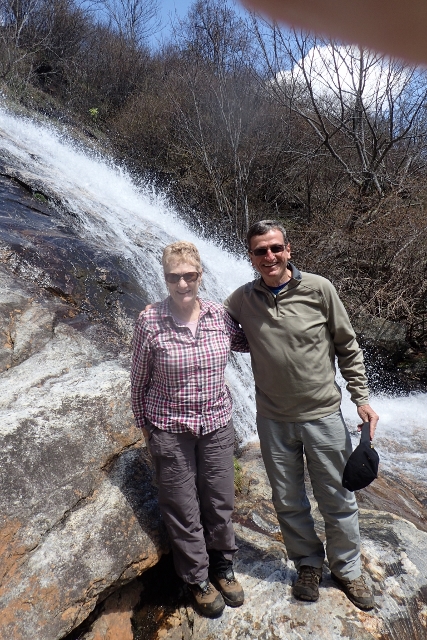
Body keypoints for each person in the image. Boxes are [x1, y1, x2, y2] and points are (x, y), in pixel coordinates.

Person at [224, 219, 379, 611]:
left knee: (338, 497)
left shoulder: (319, 289)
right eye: (260, 251)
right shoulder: (242, 299)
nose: (269, 256)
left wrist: (361, 398)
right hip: (273, 419)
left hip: (323, 415)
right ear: (252, 257)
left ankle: (347, 569)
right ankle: (308, 563)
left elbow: (347, 344)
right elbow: (210, 323)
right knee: (288, 499)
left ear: (288, 249)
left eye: (276, 248)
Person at [131, 241, 249, 618]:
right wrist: (146, 428)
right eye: (174, 277)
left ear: (200, 275)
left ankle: (223, 566)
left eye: (189, 275)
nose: (182, 283)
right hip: (170, 426)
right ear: (165, 278)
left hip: (216, 423)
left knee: (219, 499)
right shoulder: (150, 321)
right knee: (182, 506)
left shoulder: (219, 316)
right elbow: (138, 381)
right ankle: (197, 578)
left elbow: (255, 340)